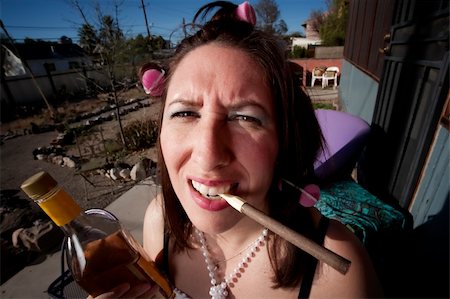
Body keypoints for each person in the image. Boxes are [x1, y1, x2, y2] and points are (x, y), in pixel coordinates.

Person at [96, 1, 383, 298]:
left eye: (244, 117)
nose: (207, 156)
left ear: (284, 140)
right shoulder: (160, 219)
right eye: (185, 113)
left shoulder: (337, 274)